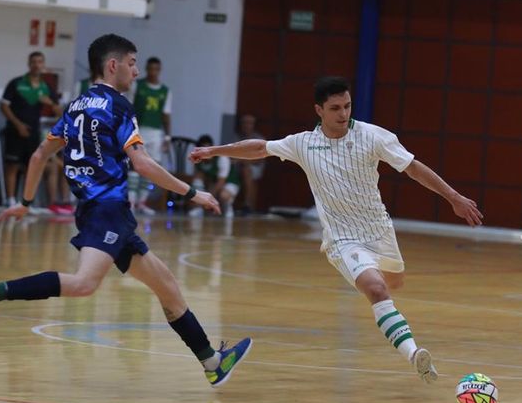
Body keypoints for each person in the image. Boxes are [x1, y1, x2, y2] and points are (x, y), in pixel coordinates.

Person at [0, 34, 251, 387]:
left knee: (167, 287)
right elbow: (143, 164)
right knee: (85, 284)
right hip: (107, 210)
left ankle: (212, 361)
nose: (135, 71)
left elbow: (39, 156)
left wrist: (24, 203)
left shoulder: (74, 107)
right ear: (113, 65)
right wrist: (193, 192)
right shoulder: (118, 107)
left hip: (97, 211)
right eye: (132, 64)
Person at [189, 76, 484, 383]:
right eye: (335, 108)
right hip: (343, 240)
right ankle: (414, 354)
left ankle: (393, 315)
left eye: (347, 106)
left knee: (394, 282)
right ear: (319, 110)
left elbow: (412, 167)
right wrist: (214, 151)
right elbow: (260, 148)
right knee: (377, 289)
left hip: (380, 230)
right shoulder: (303, 144)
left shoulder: (372, 136)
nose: (343, 114)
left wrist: (454, 197)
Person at [1, 51, 64, 207]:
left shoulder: (46, 87)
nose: (37, 65)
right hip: (15, 130)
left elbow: (60, 113)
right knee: (12, 166)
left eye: (40, 62)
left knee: (31, 167)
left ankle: (25, 203)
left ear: (43, 65)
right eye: (34, 61)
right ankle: (10, 201)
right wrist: (18, 124)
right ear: (29, 64)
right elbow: (4, 106)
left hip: (33, 132)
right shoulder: (16, 83)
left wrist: (50, 102)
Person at [128, 57, 172, 215]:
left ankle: (141, 202)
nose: (153, 72)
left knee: (151, 167)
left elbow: (166, 115)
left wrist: (167, 137)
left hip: (155, 133)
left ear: (159, 70)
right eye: (150, 69)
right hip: (139, 130)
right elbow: (129, 107)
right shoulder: (137, 86)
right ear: (146, 69)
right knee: (135, 165)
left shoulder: (165, 91)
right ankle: (130, 202)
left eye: (156, 69)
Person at [189, 135, 241, 218]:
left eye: (207, 148)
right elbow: (196, 178)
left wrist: (207, 199)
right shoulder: (197, 159)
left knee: (223, 195)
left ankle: (228, 208)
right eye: (202, 149)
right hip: (213, 182)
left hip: (230, 182)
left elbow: (221, 182)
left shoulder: (222, 158)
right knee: (197, 181)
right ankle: (198, 208)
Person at [234, 114, 265, 215]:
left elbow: (260, 159)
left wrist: (244, 161)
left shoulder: (259, 138)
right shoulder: (236, 137)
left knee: (247, 170)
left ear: (253, 125)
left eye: (249, 123)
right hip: (237, 166)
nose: (247, 125)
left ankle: (247, 204)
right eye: (244, 123)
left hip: (255, 167)